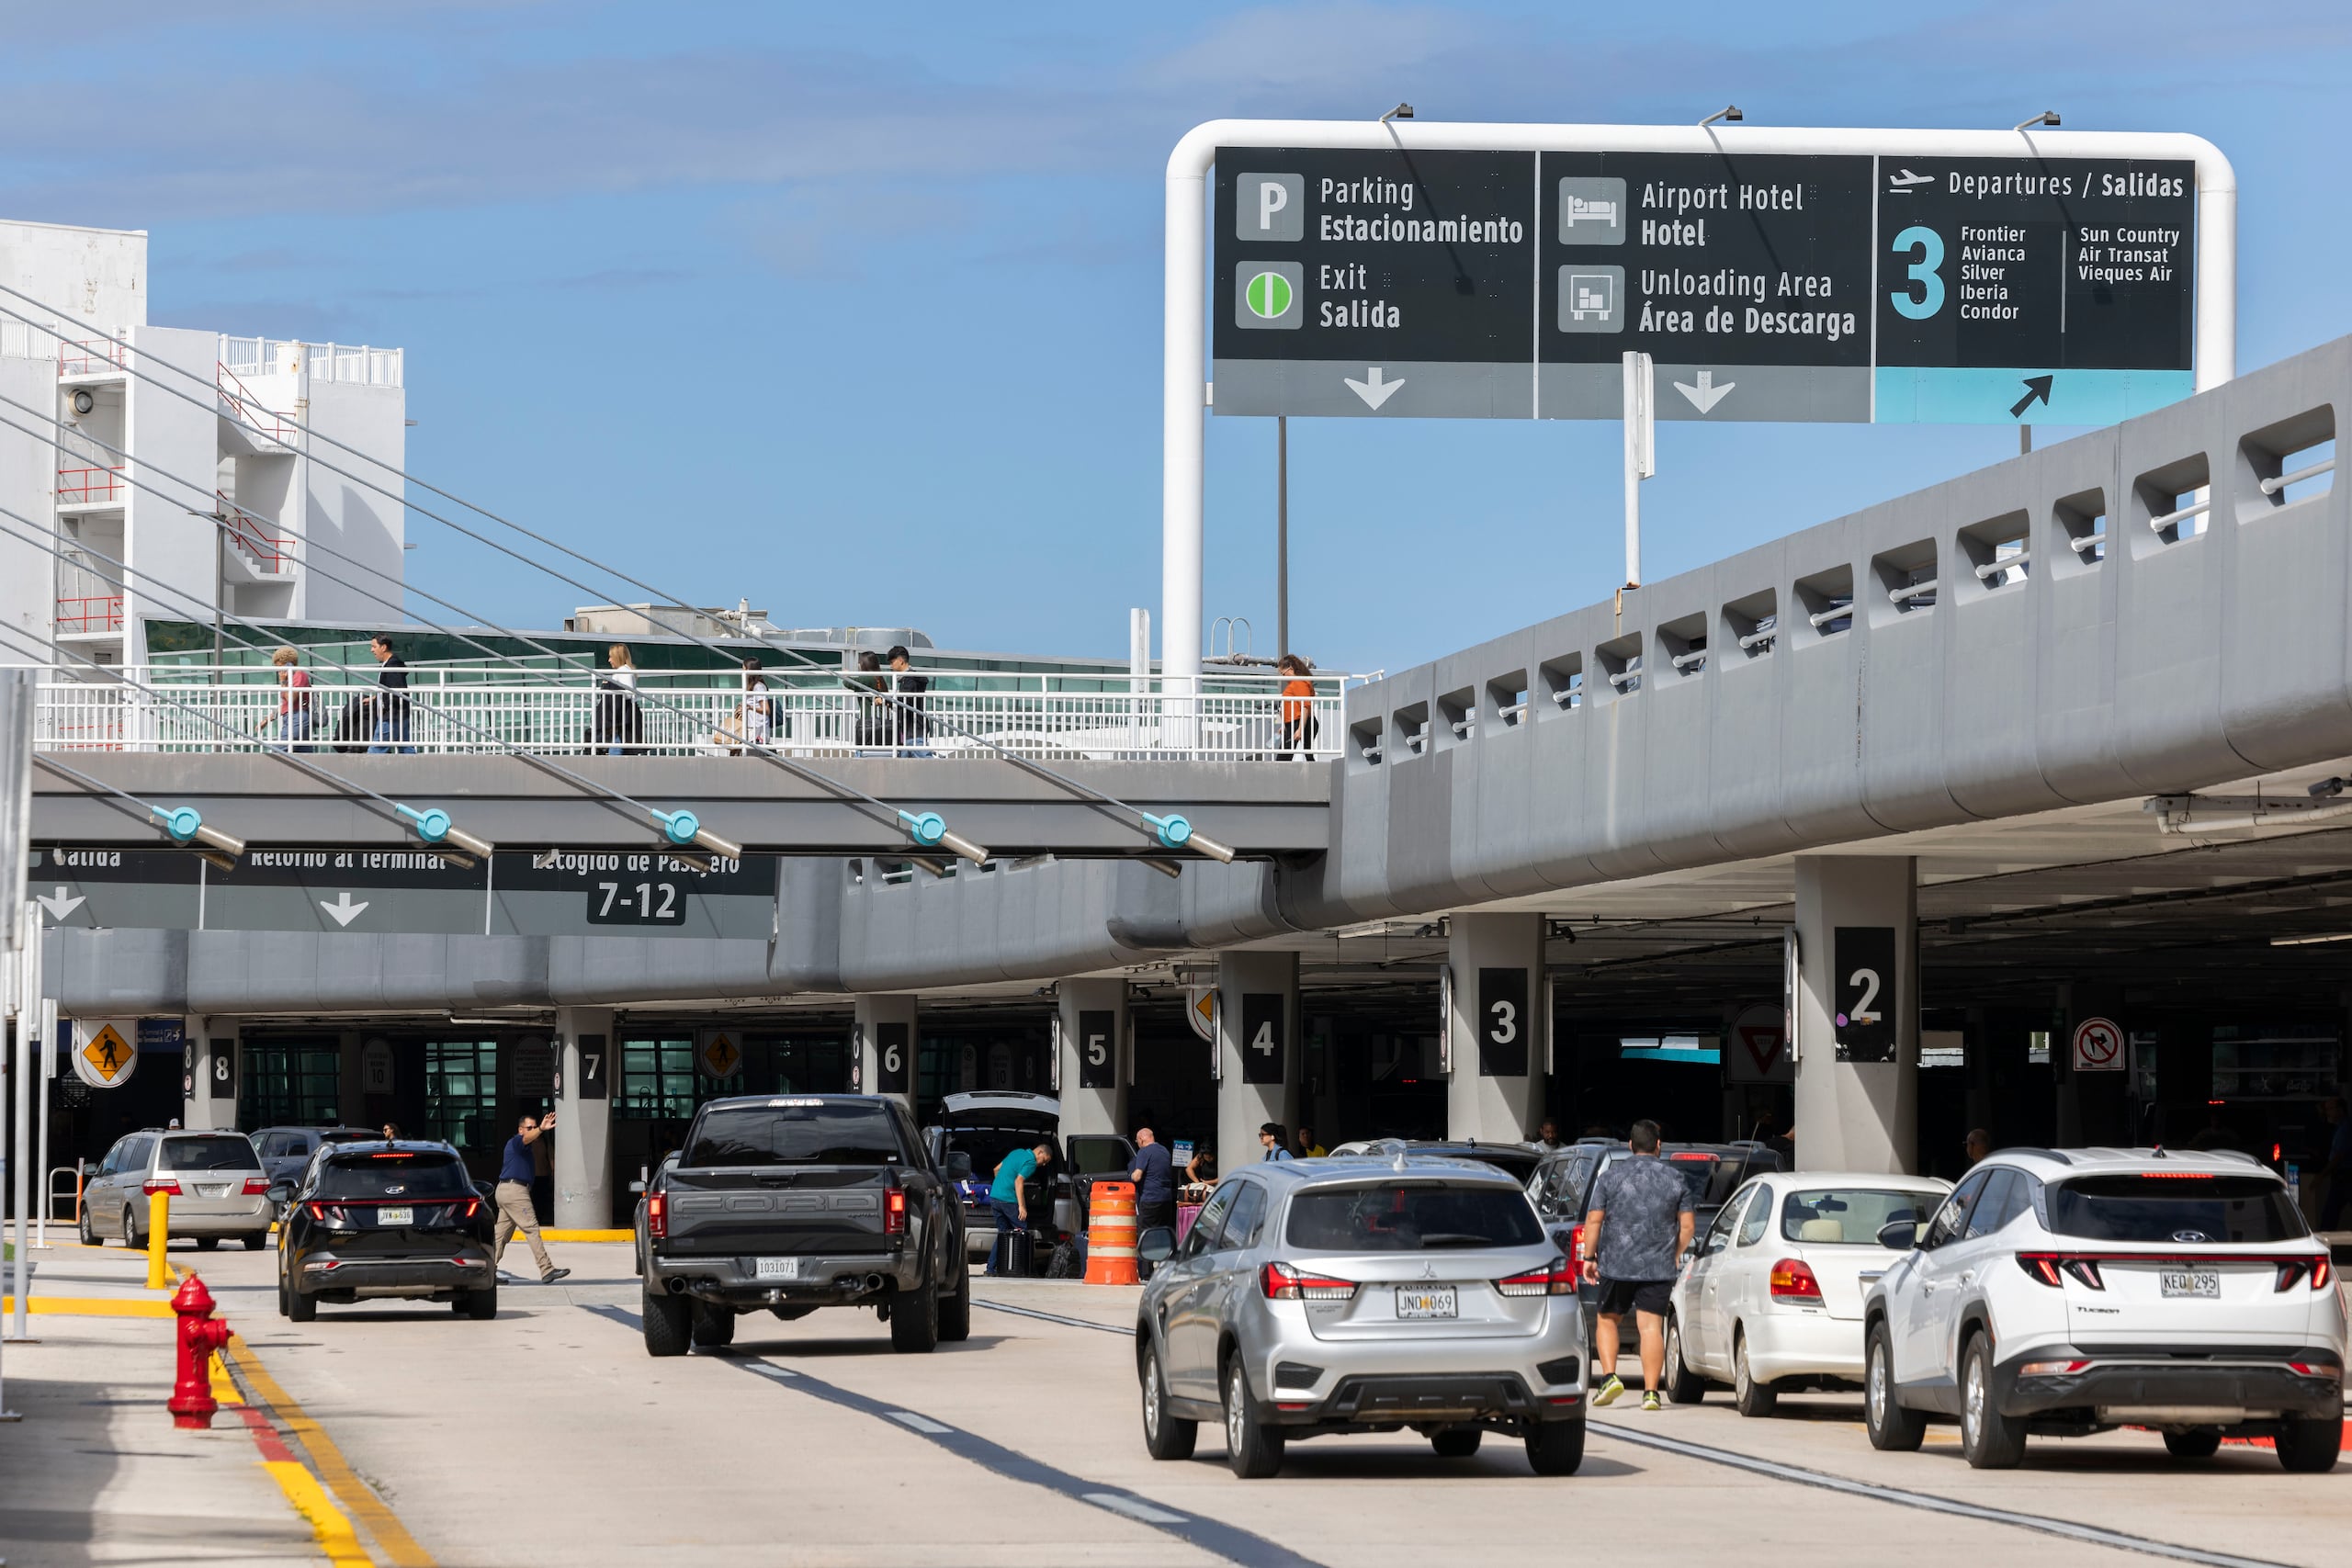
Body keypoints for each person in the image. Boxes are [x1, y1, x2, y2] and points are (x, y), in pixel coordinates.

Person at [1582, 1118, 1694, 1412]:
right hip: (1658, 1266)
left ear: (1630, 1146)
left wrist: (1589, 1257)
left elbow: (1594, 1219)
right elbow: (1687, 1227)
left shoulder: (1610, 1178)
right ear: (1659, 1146)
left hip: (1617, 1263)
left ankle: (1609, 1377)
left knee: (1607, 1319)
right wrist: (1674, 1253)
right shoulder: (1675, 1178)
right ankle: (1651, 1393)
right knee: (1650, 1328)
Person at [493, 1111, 571, 1284]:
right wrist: (542, 1129)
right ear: (521, 1130)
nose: (533, 1130)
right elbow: (527, 1139)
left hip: (506, 1190)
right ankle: (546, 1269)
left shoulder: (525, 1146)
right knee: (532, 1228)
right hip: (515, 1191)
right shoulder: (517, 1142)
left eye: (535, 1127)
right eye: (530, 1127)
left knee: (500, 1235)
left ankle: (487, 1271)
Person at [987, 1140, 1053, 1276]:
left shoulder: (1016, 1152)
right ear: (1039, 1152)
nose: (1044, 1164)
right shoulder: (1031, 1162)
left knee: (1002, 1233)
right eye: (1044, 1160)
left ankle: (990, 1269)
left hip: (994, 1197)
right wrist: (1022, 1207)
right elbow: (1019, 1181)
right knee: (1022, 1233)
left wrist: (1001, 1186)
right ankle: (1027, 1269)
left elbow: (996, 1169)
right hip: (1008, 1201)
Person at [362, 634, 414, 753]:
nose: (372, 650)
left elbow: (396, 689)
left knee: (376, 749)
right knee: (406, 749)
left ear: (383, 647)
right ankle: (418, 771)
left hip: (392, 716)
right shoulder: (390, 664)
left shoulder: (392, 666)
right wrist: (375, 698)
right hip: (398, 713)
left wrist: (386, 706)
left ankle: (365, 771)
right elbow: (390, 688)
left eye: (374, 647)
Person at [596, 644, 642, 756]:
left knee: (616, 745)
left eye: (611, 657)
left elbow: (628, 693)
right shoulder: (625, 670)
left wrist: (608, 686)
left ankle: (614, 769)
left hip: (621, 718)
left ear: (618, 657)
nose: (609, 660)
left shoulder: (623, 671)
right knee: (618, 743)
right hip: (622, 717)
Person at [1129, 1127, 1176, 1235]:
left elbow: (1137, 1177)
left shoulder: (1144, 1151)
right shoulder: (1165, 1151)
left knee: (1145, 1233)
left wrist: (1130, 1176)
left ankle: (1145, 1252)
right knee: (1162, 1231)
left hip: (1151, 1199)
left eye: (1137, 1142)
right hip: (1166, 1199)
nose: (1138, 1144)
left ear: (1141, 1139)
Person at [266, 646, 313, 752]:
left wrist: (283, 682)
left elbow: (291, 699)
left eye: (280, 666)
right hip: (292, 717)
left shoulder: (298, 675)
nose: (279, 671)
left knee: (278, 752)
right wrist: (267, 720)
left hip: (298, 717)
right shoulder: (290, 679)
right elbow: (285, 705)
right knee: (304, 755)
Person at [887, 644, 931, 757]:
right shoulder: (908, 679)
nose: (891, 666)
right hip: (910, 729)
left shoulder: (910, 680)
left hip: (914, 729)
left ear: (901, 661)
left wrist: (887, 701)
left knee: (925, 760)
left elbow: (903, 700)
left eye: (892, 662)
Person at [1275, 653, 1317, 760]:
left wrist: (1300, 729)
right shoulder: (1295, 683)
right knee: (1306, 754)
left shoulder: (1300, 682)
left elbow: (1305, 706)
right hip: (1294, 723)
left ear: (1290, 668)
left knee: (1283, 757)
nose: (1283, 677)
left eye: (1283, 674)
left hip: (1300, 723)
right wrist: (1284, 725)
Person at [2321, 1096, 2352, 1231]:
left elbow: (2339, 1156)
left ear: (2340, 1110)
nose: (2328, 1113)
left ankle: (2325, 1235)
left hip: (2346, 1175)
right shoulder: (2340, 1128)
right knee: (2331, 1212)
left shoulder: (2346, 1129)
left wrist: (2322, 1175)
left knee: (2331, 1212)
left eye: (2330, 1109)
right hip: (2341, 1176)